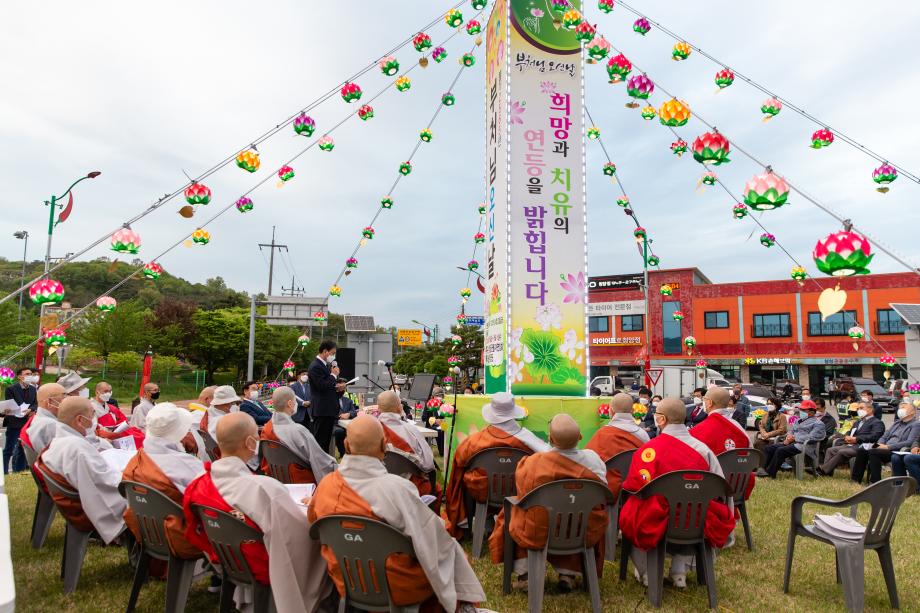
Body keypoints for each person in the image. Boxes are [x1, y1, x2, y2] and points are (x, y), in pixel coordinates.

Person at [310, 415, 485, 612]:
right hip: (398, 585)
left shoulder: (326, 485)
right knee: (450, 549)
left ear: (346, 445)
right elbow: (433, 540)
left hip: (347, 578)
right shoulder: (398, 489)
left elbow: (314, 525)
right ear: (385, 446)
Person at [183, 412, 333, 613]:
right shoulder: (264, 490)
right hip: (261, 563)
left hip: (231, 559)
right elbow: (299, 538)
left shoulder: (198, 484)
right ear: (250, 442)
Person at [619, 397, 735, 588]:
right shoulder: (703, 450)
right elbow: (721, 489)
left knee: (632, 510)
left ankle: (647, 571)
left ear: (662, 420)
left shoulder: (649, 450)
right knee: (695, 509)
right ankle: (679, 570)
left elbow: (634, 487)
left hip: (657, 520)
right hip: (697, 521)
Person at [490, 414, 608, 592]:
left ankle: (526, 574)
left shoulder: (532, 464)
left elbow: (523, 493)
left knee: (514, 512)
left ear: (550, 439)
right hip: (581, 528)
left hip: (541, 529)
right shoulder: (594, 461)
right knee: (580, 514)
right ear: (580, 437)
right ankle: (569, 573)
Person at [444, 392, 549, 538]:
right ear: (513, 413)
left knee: (464, 476)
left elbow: (458, 463)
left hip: (483, 492)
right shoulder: (527, 438)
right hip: (518, 492)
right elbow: (548, 456)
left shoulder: (474, 441)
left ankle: (472, 522)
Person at [122, 403, 205, 574]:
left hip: (149, 534)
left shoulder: (139, 458)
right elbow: (209, 501)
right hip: (182, 537)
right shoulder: (187, 465)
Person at [35, 396, 127, 544]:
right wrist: (129, 475)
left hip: (77, 503)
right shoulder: (78, 448)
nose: (93, 421)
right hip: (91, 510)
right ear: (79, 420)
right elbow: (108, 483)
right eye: (92, 415)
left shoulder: (60, 441)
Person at [261, 386, 336, 483]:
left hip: (277, 481)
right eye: (295, 401)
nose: (296, 404)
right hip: (302, 482)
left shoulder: (266, 428)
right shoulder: (298, 431)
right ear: (290, 404)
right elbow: (321, 461)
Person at [376, 390, 439, 503]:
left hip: (379, 487)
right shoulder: (411, 430)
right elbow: (429, 464)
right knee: (437, 488)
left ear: (378, 409)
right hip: (410, 487)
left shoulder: (371, 430)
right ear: (399, 408)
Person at [585, 392, 649, 497]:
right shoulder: (643, 435)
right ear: (632, 411)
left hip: (608, 489)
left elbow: (589, 464)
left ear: (611, 411)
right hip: (636, 489)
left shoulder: (601, 434)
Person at [851, 401, 920, 484]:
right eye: (900, 407)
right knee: (862, 450)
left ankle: (875, 481)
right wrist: (878, 445)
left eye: (903, 408)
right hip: (884, 448)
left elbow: (909, 442)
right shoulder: (897, 423)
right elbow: (884, 436)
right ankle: (855, 479)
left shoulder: (916, 424)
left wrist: (888, 447)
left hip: (896, 450)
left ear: (912, 412)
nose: (900, 410)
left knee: (873, 452)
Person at [761, 400, 826, 478]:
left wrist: (794, 438)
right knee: (768, 448)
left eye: (804, 410)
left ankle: (770, 473)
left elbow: (812, 437)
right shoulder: (798, 420)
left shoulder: (818, 423)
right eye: (801, 409)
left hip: (805, 446)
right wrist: (789, 436)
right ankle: (762, 470)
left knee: (780, 451)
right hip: (792, 443)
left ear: (812, 412)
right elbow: (791, 431)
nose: (801, 411)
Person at [817, 401, 884, 476]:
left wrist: (856, 439)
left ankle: (822, 471)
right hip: (851, 444)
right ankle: (827, 473)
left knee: (842, 451)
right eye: (858, 409)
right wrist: (847, 437)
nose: (859, 410)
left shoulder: (877, 422)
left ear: (870, 410)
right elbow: (850, 432)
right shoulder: (858, 422)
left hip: (864, 446)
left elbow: (874, 436)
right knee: (830, 450)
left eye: (861, 408)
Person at [308, 340, 345, 453]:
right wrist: (333, 375)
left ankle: (324, 465)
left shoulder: (324, 366)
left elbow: (329, 388)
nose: (333, 356)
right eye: (332, 353)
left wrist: (339, 389)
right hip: (322, 410)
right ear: (325, 351)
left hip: (328, 410)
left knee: (326, 442)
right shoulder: (315, 366)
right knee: (320, 442)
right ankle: (318, 467)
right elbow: (322, 386)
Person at [92, 381, 146, 450]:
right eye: (105, 391)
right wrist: (107, 433)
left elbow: (122, 419)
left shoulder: (110, 407)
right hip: (103, 435)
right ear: (97, 392)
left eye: (110, 391)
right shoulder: (90, 407)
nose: (108, 393)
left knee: (138, 435)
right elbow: (92, 428)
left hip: (116, 432)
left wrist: (120, 427)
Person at [4, 366, 38, 473]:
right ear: (20, 377)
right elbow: (11, 404)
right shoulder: (11, 389)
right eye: (27, 374)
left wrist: (31, 409)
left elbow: (35, 404)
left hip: (27, 423)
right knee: (9, 449)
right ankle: (4, 472)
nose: (30, 376)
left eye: (31, 374)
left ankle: (19, 471)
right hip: (14, 423)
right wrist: (21, 409)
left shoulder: (33, 389)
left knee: (24, 449)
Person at [21, 383, 66, 456]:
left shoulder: (38, 419)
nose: (67, 401)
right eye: (64, 397)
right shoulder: (50, 425)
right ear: (50, 402)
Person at [332, 378, 359, 457]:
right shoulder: (331, 400)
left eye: (344, 387)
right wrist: (339, 416)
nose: (342, 389)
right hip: (335, 424)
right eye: (341, 386)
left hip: (346, 425)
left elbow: (354, 412)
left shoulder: (348, 400)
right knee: (340, 432)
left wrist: (348, 414)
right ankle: (343, 452)